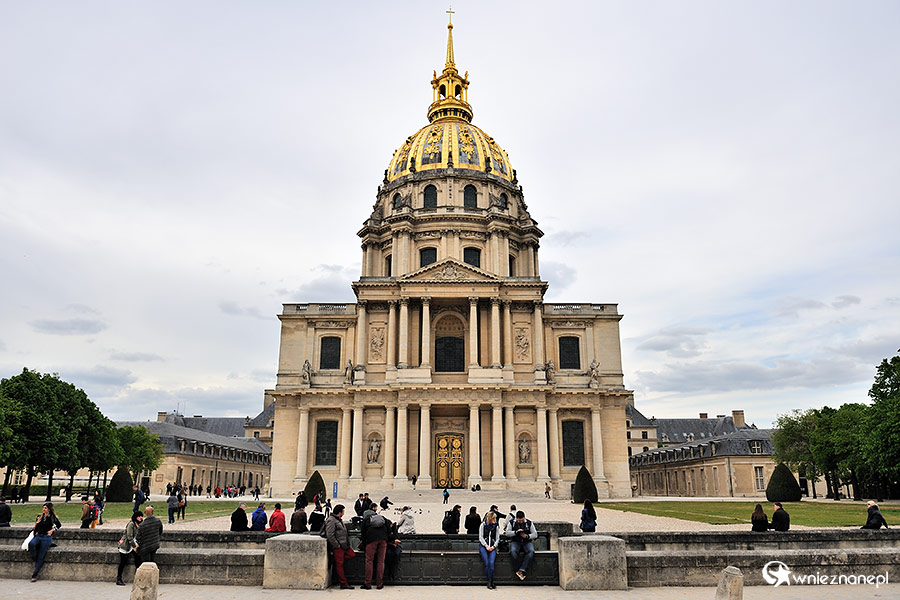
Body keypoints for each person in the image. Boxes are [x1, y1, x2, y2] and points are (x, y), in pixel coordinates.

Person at [28, 502, 61, 582]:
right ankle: (34, 559)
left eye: (45, 508)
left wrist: (53, 530)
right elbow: (35, 527)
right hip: (38, 535)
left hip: (46, 537)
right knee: (31, 544)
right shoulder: (40, 516)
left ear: (49, 509)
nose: (43, 509)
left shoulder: (52, 517)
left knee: (41, 555)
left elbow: (59, 525)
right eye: (43, 508)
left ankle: (35, 574)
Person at [325, 504, 355, 589]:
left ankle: (336, 560)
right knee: (340, 565)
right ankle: (343, 583)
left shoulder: (338, 519)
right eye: (343, 511)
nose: (344, 512)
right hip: (339, 547)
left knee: (352, 555)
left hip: (344, 546)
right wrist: (337, 545)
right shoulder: (331, 520)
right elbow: (330, 535)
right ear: (340, 512)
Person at [361, 505, 389, 589]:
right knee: (381, 561)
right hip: (383, 539)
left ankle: (368, 583)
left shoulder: (366, 520)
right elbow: (388, 528)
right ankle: (379, 583)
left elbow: (363, 534)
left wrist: (364, 543)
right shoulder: (382, 518)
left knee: (369, 561)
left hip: (371, 540)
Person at [504, 510, 537, 581]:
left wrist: (527, 536)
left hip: (526, 542)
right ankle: (520, 569)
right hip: (516, 541)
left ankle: (521, 570)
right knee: (513, 551)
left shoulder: (529, 523)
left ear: (524, 518)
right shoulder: (512, 522)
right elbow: (507, 533)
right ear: (516, 518)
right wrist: (515, 532)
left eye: (522, 520)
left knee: (531, 551)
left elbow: (535, 534)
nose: (520, 522)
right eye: (519, 521)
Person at [116, 511, 143, 585]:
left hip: (134, 545)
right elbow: (129, 536)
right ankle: (119, 579)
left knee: (138, 560)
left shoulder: (139, 524)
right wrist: (134, 546)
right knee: (123, 562)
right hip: (126, 545)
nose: (140, 517)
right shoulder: (131, 524)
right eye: (139, 516)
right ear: (135, 517)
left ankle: (138, 578)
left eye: (141, 516)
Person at [478, 511, 501, 589]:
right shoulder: (483, 525)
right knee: (487, 563)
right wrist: (486, 546)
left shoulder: (496, 527)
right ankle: (489, 580)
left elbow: (498, 538)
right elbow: (480, 537)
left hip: (493, 546)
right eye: (494, 518)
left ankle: (491, 580)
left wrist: (494, 546)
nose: (495, 520)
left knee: (491, 563)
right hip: (484, 546)